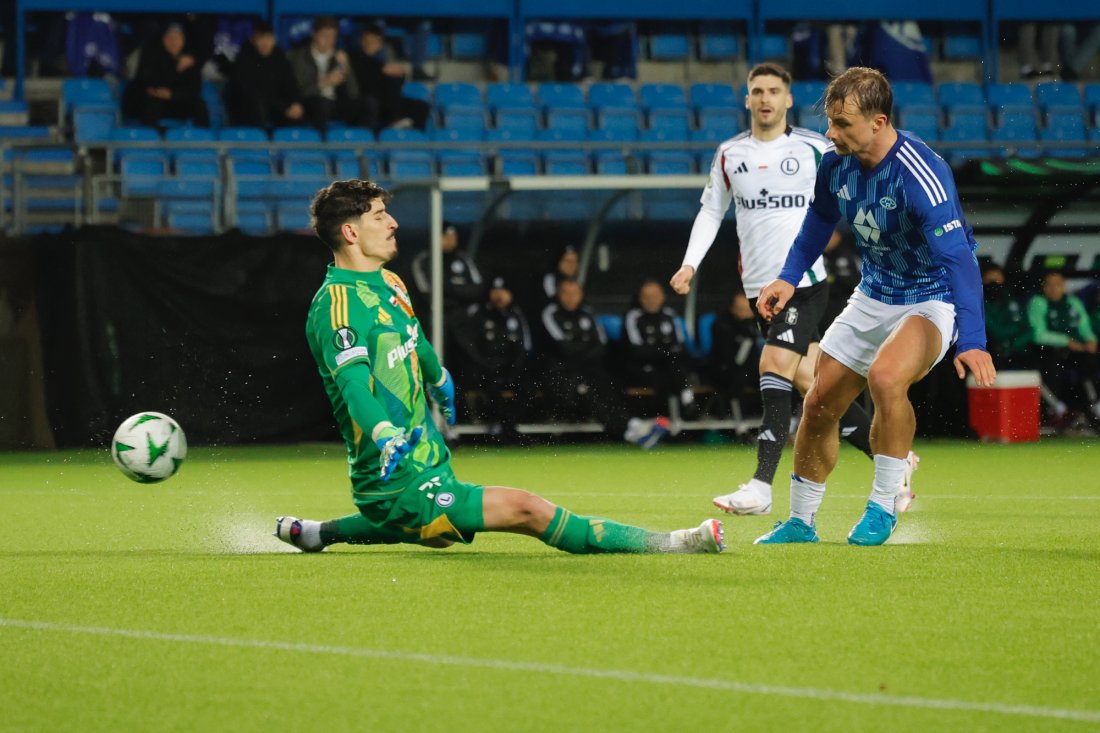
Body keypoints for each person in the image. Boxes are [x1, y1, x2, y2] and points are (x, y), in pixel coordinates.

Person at [274, 179, 724, 555]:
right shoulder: (336, 307)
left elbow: (415, 338)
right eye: (378, 216)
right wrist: (385, 434)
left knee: (431, 533)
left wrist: (438, 378)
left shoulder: (390, 281)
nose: (392, 222)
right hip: (394, 478)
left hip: (428, 461)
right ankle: (674, 542)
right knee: (528, 509)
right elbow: (353, 387)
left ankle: (317, 534)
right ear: (350, 233)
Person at [753, 66, 996, 546]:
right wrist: (786, 276)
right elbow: (818, 222)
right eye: (830, 121)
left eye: (842, 124)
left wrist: (972, 340)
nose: (831, 132)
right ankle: (801, 522)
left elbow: (960, 261)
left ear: (878, 122)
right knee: (819, 402)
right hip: (873, 294)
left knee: (886, 378)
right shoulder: (835, 163)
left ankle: (883, 505)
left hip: (931, 297)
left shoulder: (921, 173)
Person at [670, 62, 914, 518]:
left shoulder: (815, 146)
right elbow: (710, 212)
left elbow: (858, 170)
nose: (765, 98)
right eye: (757, 90)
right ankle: (895, 458)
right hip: (758, 289)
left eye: (774, 91)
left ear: (787, 99)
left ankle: (762, 486)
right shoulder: (729, 154)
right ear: (747, 99)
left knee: (773, 364)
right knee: (815, 384)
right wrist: (689, 265)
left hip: (801, 283)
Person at [540, 278, 669, 448]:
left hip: (588, 371)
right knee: (588, 392)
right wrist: (585, 348)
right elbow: (564, 349)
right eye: (566, 293)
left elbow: (601, 346)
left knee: (609, 386)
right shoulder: (550, 313)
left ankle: (633, 427)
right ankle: (632, 430)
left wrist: (579, 349)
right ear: (558, 295)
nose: (571, 298)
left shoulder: (588, 314)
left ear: (581, 294)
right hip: (560, 376)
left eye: (575, 293)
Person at [451, 276, 533, 441]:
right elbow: (467, 345)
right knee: (480, 384)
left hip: (508, 369)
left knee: (527, 384)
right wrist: (483, 364)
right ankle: (497, 428)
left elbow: (524, 347)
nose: (499, 296)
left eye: (503, 291)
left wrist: (513, 369)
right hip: (482, 368)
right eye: (495, 291)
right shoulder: (478, 314)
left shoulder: (516, 315)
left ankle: (510, 426)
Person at [1027, 271, 1098, 428]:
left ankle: (1094, 406)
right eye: (1049, 285)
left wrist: (1091, 340)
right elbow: (1038, 335)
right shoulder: (1038, 302)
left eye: (1058, 284)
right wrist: (1066, 341)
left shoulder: (1073, 302)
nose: (1054, 289)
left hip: (1075, 350)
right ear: (1044, 288)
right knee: (1051, 365)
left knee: (1089, 361)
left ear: (1064, 286)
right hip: (1047, 350)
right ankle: (1057, 411)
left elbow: (1085, 326)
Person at [619, 279, 696, 416]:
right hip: (644, 368)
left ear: (662, 297)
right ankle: (677, 412)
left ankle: (681, 414)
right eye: (647, 297)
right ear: (640, 299)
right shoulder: (633, 317)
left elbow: (681, 346)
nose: (651, 300)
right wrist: (666, 351)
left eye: (654, 296)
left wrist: (660, 351)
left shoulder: (670, 315)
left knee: (676, 368)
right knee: (666, 374)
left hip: (669, 365)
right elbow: (636, 351)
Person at [287, 16, 376, 132]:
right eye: (324, 36)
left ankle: (364, 144)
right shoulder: (299, 58)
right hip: (310, 105)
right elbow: (299, 92)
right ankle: (321, 146)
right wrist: (324, 82)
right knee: (322, 103)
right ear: (314, 34)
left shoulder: (339, 57)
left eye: (333, 37)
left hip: (335, 104)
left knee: (369, 104)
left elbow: (353, 93)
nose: (329, 41)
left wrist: (346, 68)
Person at [122, 22, 209, 128]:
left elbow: (194, 89)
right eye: (169, 37)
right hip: (155, 100)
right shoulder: (152, 55)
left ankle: (203, 139)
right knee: (152, 106)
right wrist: (174, 69)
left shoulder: (189, 60)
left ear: (183, 40)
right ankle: (153, 138)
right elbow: (147, 81)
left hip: (178, 101)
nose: (173, 42)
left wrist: (173, 95)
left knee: (199, 106)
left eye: (177, 38)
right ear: (163, 39)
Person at [350, 23, 431, 131]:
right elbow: (364, 75)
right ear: (361, 41)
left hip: (389, 102)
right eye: (367, 41)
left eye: (374, 41)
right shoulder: (354, 57)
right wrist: (382, 69)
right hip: (368, 102)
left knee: (421, 107)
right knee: (374, 102)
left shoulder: (380, 62)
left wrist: (400, 74)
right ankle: (393, 122)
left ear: (380, 44)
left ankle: (416, 139)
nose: (370, 44)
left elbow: (398, 81)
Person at [224, 22, 304, 130]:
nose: (265, 43)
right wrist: (282, 108)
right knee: (258, 108)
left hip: (275, 108)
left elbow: (291, 84)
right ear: (253, 40)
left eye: (269, 38)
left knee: (297, 113)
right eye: (261, 39)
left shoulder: (280, 57)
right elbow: (249, 93)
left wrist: (295, 103)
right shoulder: (243, 59)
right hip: (247, 110)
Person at [708, 292, 764, 416]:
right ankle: (740, 424)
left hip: (751, 368)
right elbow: (734, 359)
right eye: (741, 310)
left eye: (748, 309)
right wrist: (747, 337)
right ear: (732, 308)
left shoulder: (756, 323)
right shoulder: (721, 325)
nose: (746, 314)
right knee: (737, 380)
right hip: (726, 370)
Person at [982, 264, 1034, 370]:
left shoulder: (1012, 300)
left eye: (997, 279)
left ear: (1003, 279)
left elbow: (1029, 330)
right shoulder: (978, 303)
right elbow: (995, 332)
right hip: (992, 350)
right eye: (989, 279)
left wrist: (1013, 343)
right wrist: (1015, 329)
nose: (993, 283)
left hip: (1016, 349)